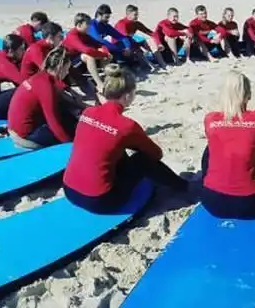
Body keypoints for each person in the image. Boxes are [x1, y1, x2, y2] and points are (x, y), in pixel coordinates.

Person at [62, 65, 189, 212]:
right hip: (100, 200)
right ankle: (183, 186)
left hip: (69, 190)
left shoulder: (88, 112)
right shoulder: (126, 126)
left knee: (112, 147)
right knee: (142, 160)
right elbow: (156, 154)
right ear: (127, 96)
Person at [200, 72, 255, 219]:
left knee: (212, 146)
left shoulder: (210, 119)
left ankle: (209, 180)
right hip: (248, 205)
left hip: (211, 202)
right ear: (248, 95)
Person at [7, 46, 87, 148]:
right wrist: (69, 145)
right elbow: (53, 122)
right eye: (67, 69)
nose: (67, 73)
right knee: (71, 130)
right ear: (60, 68)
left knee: (68, 117)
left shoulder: (41, 77)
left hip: (15, 126)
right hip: (25, 135)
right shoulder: (46, 87)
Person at [62, 12, 113, 87]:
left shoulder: (84, 34)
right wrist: (104, 54)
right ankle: (99, 84)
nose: (89, 27)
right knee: (88, 56)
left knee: (106, 54)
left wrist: (106, 53)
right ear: (79, 25)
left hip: (79, 60)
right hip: (70, 63)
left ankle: (106, 77)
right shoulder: (72, 35)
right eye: (87, 24)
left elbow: (99, 44)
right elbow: (87, 51)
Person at [116, 4, 169, 68]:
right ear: (128, 14)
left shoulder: (136, 23)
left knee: (150, 42)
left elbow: (152, 34)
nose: (137, 16)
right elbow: (125, 38)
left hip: (131, 43)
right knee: (138, 50)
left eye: (137, 14)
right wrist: (140, 47)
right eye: (135, 15)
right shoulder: (121, 23)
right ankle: (151, 66)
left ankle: (163, 64)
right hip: (121, 46)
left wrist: (159, 43)